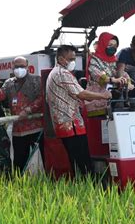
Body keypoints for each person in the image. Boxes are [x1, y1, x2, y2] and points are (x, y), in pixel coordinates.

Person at [46, 45, 112, 177]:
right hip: (71, 125)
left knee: (75, 162)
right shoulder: (62, 73)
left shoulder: (54, 73)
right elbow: (81, 94)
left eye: (74, 58)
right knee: (84, 163)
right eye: (70, 58)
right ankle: (90, 187)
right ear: (60, 58)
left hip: (64, 124)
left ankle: (82, 186)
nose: (73, 62)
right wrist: (103, 95)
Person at [0, 56, 44, 173]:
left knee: (44, 157)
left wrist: (28, 110)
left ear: (28, 67)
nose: (19, 69)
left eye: (22, 66)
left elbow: (42, 98)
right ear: (12, 68)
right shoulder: (9, 83)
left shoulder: (36, 81)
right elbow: (0, 97)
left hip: (36, 127)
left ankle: (49, 180)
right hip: (18, 130)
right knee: (19, 161)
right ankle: (19, 183)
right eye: (17, 66)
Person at [86, 32, 131, 116]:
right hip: (97, 102)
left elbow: (119, 72)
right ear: (103, 44)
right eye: (110, 45)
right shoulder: (94, 60)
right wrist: (113, 80)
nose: (113, 48)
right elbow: (98, 75)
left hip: (113, 99)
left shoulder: (113, 60)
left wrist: (127, 81)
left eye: (115, 46)